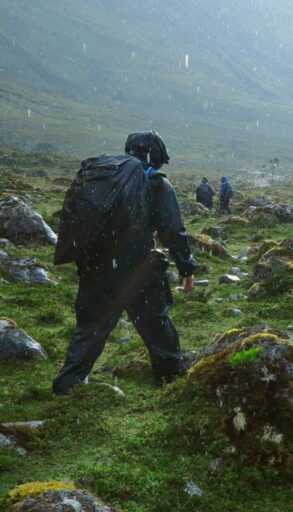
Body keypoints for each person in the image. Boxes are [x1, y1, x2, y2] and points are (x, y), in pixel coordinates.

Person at [52, 131, 197, 396]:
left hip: (96, 267)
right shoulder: (155, 182)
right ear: (156, 153)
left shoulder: (105, 177)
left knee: (90, 328)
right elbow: (172, 230)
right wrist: (186, 267)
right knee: (155, 323)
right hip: (138, 267)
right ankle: (170, 379)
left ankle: (67, 385)